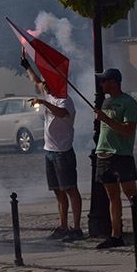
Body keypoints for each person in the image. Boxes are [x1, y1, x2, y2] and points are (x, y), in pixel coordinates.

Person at [23, 53, 84, 242]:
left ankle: (77, 228)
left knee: (71, 189)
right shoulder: (48, 94)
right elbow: (35, 82)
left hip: (62, 152)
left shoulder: (65, 100)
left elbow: (60, 113)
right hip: (49, 151)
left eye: (47, 82)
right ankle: (63, 226)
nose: (44, 84)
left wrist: (42, 102)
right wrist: (27, 66)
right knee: (58, 191)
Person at [93, 68, 137, 250]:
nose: (101, 84)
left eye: (104, 81)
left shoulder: (129, 102)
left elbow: (127, 130)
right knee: (112, 196)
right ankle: (116, 235)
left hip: (121, 154)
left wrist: (105, 119)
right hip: (103, 153)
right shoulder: (106, 101)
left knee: (131, 195)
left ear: (114, 82)